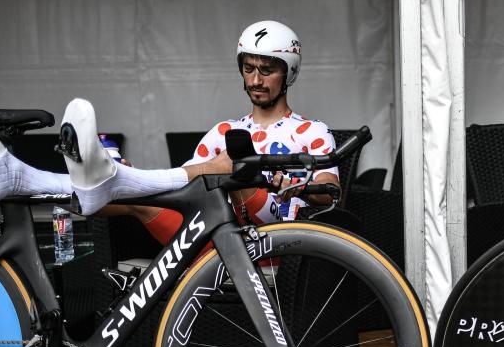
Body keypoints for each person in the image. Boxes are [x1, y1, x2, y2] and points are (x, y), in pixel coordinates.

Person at [70, 19, 340, 240]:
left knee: (235, 166)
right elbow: (186, 188)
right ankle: (89, 184)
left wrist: (301, 184)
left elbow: (331, 188)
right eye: (248, 69)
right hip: (218, 238)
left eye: (267, 71)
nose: (256, 80)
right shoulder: (223, 130)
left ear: (289, 73)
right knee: (133, 198)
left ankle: (136, 178)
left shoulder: (312, 131)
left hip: (279, 240)